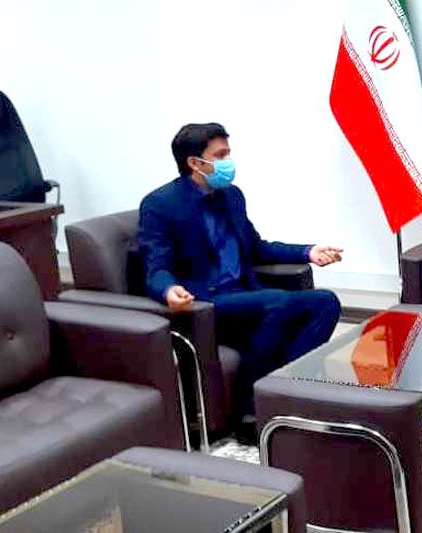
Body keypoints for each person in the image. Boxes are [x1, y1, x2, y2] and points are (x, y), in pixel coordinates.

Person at [139, 122, 343, 439]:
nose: (228, 162)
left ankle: (286, 392)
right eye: (220, 156)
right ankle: (249, 410)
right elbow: (156, 266)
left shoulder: (231, 196)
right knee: (277, 301)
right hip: (206, 300)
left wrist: (308, 252)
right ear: (194, 163)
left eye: (228, 154)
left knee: (326, 302)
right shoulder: (160, 204)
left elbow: (258, 247)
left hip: (245, 293)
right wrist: (169, 289)